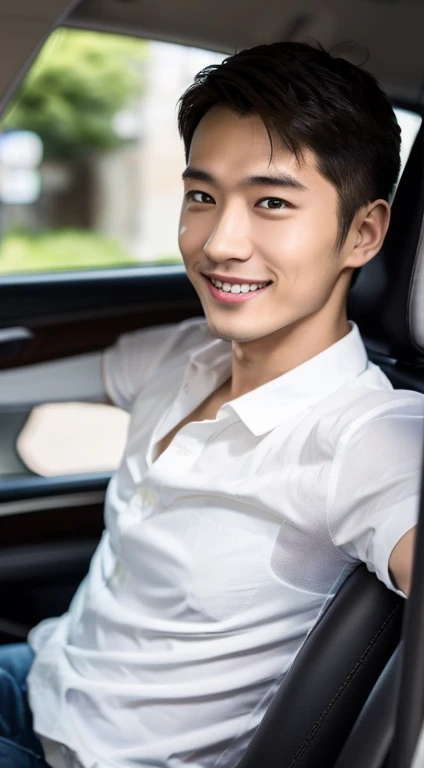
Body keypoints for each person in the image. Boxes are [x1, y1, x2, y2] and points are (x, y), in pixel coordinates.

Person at [0, 40, 423, 768]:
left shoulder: (369, 436)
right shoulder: (182, 355)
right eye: (202, 197)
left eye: (271, 203)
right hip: (40, 680)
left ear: (363, 232)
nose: (219, 242)